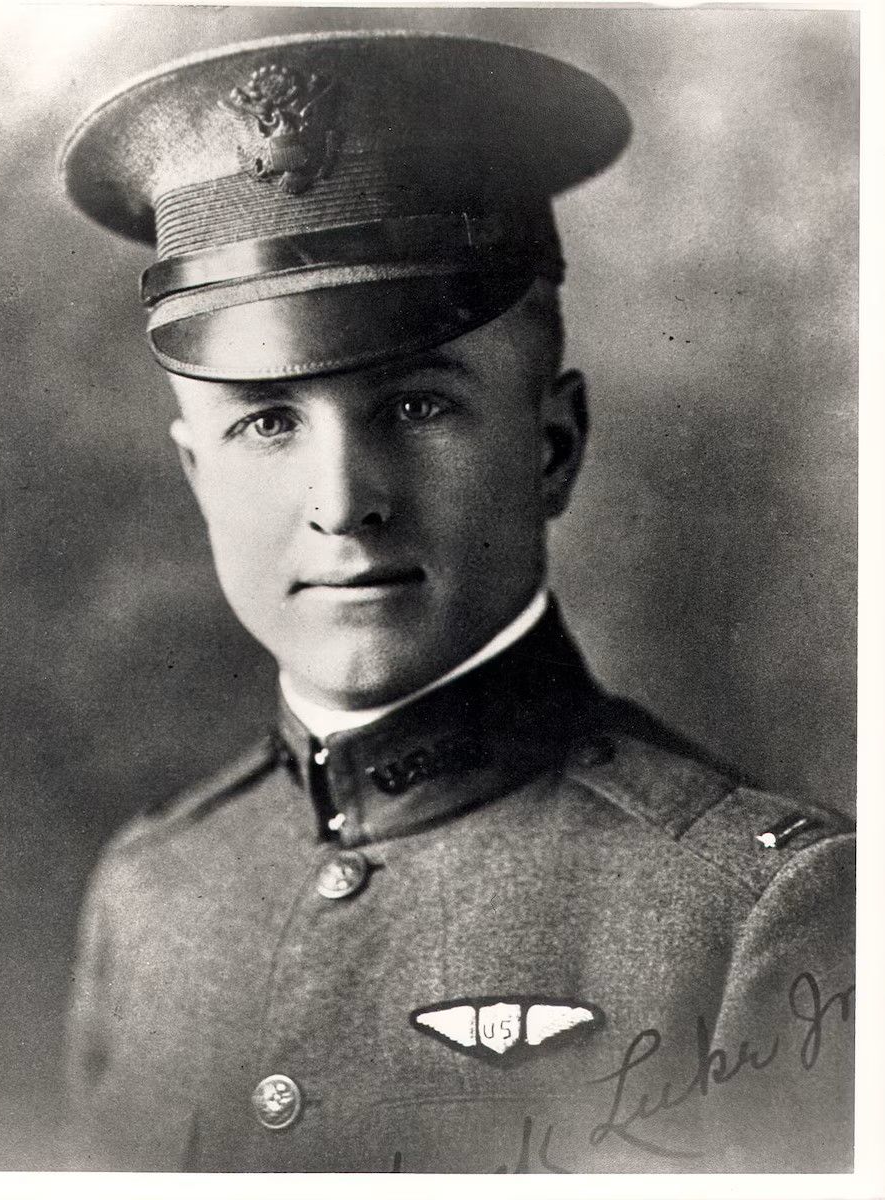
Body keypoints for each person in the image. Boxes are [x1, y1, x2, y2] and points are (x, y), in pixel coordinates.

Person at [59, 30, 855, 1173]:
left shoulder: (758, 915)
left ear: (552, 446)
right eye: (268, 422)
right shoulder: (150, 895)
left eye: (419, 406)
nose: (344, 503)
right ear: (198, 476)